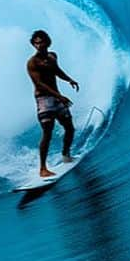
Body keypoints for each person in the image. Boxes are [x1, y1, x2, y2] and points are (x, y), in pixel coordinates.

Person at [26, 29, 79, 178]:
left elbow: (57, 71)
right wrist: (60, 96)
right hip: (44, 100)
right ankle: (43, 169)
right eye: (36, 43)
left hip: (57, 98)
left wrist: (69, 79)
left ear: (47, 42)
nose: (39, 45)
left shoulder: (52, 56)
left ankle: (66, 155)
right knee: (47, 133)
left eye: (41, 42)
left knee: (70, 128)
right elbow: (40, 83)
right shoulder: (32, 63)